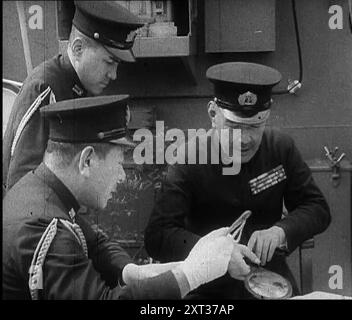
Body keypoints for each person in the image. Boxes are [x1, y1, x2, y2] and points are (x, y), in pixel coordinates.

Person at [2, 95, 259, 300]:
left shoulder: (42, 193)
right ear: (87, 160)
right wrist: (192, 273)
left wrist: (135, 272)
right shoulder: (44, 227)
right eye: (118, 163)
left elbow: (95, 243)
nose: (122, 176)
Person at [144, 62, 332, 299]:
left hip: (270, 280)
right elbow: (157, 235)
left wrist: (281, 232)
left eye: (254, 126)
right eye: (233, 126)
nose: (244, 139)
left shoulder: (280, 149)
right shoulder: (189, 159)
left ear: (267, 116)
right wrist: (217, 255)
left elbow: (317, 208)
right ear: (213, 114)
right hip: (206, 286)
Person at [3, 1, 144, 192]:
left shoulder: (79, 86)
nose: (114, 74)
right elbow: (21, 182)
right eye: (109, 62)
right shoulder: (45, 87)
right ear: (78, 49)